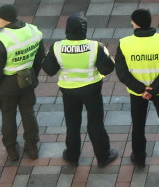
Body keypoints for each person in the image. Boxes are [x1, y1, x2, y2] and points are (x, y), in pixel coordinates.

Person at [41, 13, 118, 167]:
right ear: (84, 29)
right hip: (91, 89)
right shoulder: (95, 46)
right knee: (95, 123)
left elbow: (49, 70)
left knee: (73, 123)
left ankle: (72, 156)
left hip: (68, 90)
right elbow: (108, 67)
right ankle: (103, 157)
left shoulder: (58, 47)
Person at [115, 8, 159, 167]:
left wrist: (142, 89)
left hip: (136, 93)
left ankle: (139, 158)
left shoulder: (125, 43)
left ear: (135, 23)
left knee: (138, 125)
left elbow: (122, 72)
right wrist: (152, 89)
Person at [0, 3, 45, 163]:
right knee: (28, 113)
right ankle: (32, 147)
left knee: (8, 116)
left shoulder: (1, 41)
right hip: (27, 79)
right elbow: (39, 58)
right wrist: (34, 77)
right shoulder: (33, 30)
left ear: (7, 20)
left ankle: (11, 150)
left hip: (7, 85)